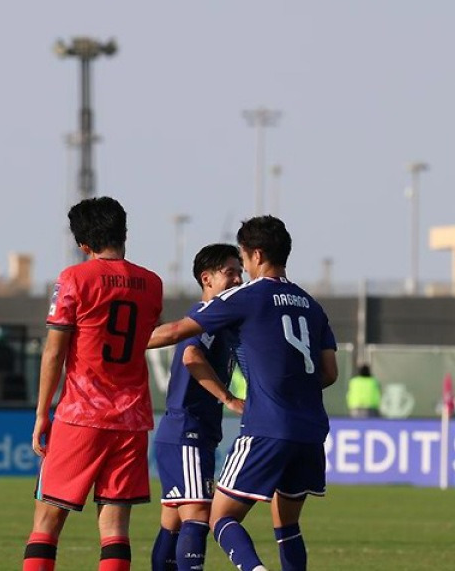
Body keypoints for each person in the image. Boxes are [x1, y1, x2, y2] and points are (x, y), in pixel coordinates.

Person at [147, 216, 338, 571]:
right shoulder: (312, 305)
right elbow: (329, 373)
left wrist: (115, 342)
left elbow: (175, 332)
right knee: (287, 524)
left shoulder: (246, 297)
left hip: (267, 426)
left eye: (243, 258)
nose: (242, 268)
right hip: (311, 430)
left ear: (257, 254)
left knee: (220, 517)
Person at [22, 196, 164, 571]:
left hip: (81, 413)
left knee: (47, 522)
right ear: (125, 233)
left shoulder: (74, 279)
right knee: (115, 528)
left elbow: (54, 352)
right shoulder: (152, 283)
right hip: (132, 418)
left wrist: (42, 412)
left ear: (82, 244)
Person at [150, 244, 244, 571]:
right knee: (198, 515)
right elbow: (191, 356)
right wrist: (229, 399)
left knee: (172, 520)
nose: (238, 279)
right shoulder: (206, 319)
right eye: (230, 273)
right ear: (207, 279)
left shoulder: (220, 322)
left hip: (187, 432)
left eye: (240, 272)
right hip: (186, 430)